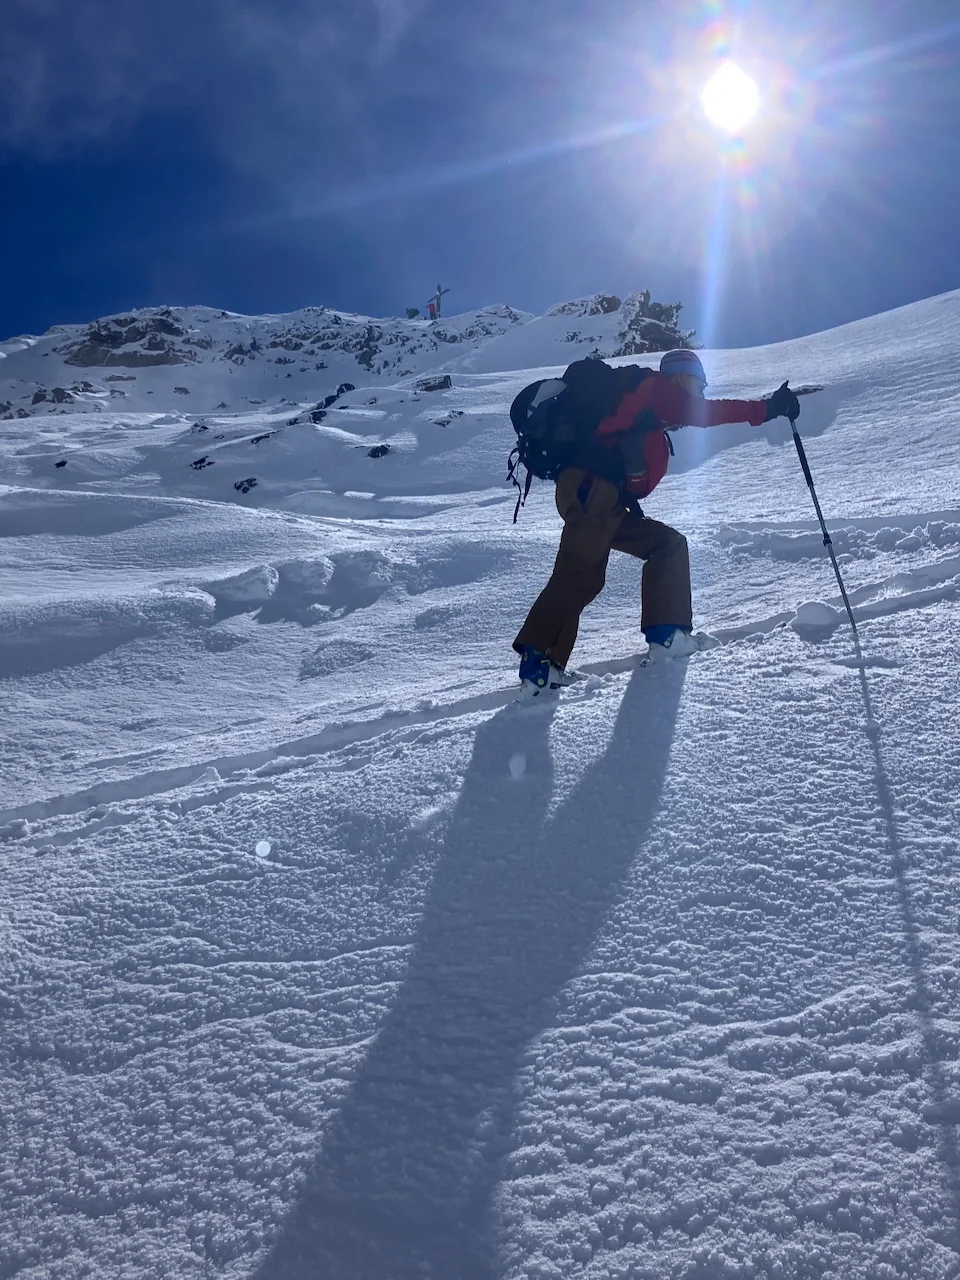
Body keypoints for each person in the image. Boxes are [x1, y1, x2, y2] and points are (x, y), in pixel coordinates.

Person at [512, 349, 800, 695]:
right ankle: (538, 668)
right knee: (579, 574)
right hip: (593, 492)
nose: (700, 392)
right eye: (699, 384)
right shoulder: (657, 389)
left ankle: (668, 637)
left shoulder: (644, 406)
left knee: (666, 544)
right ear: (681, 376)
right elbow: (709, 413)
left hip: (601, 498)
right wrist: (769, 409)